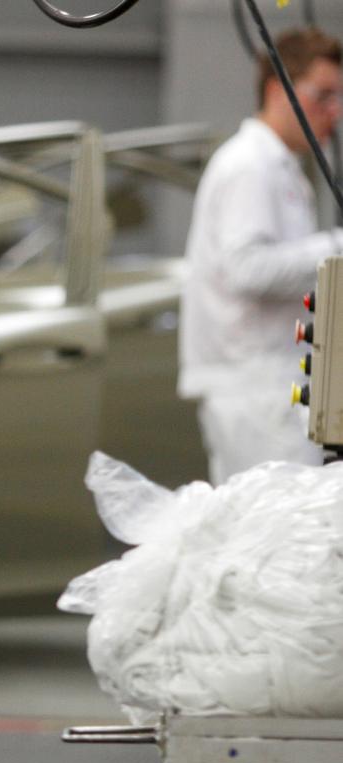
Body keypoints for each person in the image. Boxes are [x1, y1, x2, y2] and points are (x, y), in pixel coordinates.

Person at [180, 26, 343, 483]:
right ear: (278, 90)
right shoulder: (250, 165)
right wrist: (335, 249)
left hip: (271, 384)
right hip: (254, 388)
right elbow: (247, 269)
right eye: (323, 95)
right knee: (271, 539)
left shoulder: (280, 167)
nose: (335, 111)